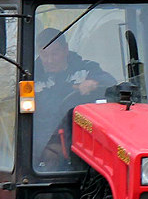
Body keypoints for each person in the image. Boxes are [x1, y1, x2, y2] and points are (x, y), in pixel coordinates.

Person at [32, 28, 114, 167]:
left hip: (82, 146)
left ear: (65, 50)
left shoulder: (84, 70)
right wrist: (46, 148)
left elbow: (110, 83)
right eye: (44, 55)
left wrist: (94, 83)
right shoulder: (31, 77)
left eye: (55, 53)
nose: (49, 60)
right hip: (43, 149)